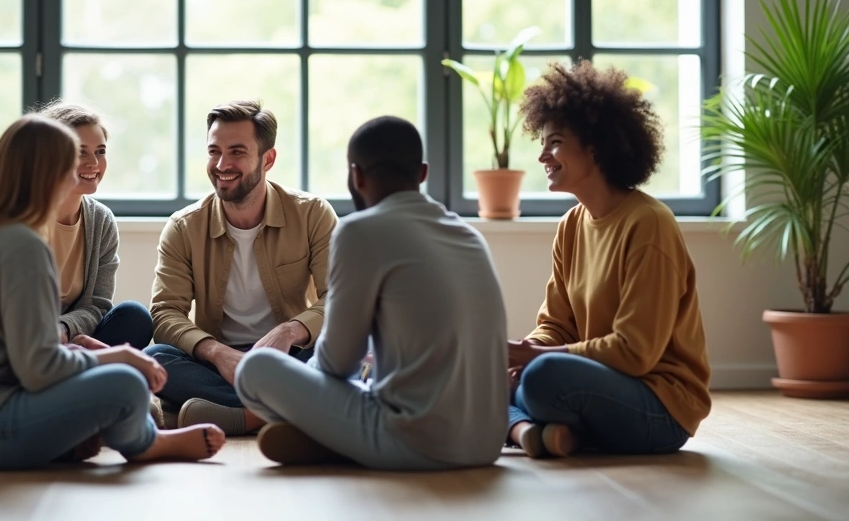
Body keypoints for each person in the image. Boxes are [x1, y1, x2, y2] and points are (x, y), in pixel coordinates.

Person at [0, 115, 224, 469]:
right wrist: (121, 357)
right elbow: (39, 368)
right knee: (127, 382)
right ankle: (144, 442)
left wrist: (81, 348)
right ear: (47, 174)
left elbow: (12, 353)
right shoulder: (21, 245)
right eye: (69, 165)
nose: (78, 176)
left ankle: (108, 433)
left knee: (118, 357)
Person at [233, 116, 509, 469]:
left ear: (356, 176)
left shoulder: (360, 231)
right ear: (422, 173)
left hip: (416, 441)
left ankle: (329, 438)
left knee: (256, 368)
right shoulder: (470, 237)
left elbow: (337, 364)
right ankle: (333, 439)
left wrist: (308, 390)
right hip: (487, 445)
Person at [506, 60, 711, 459]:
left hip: (659, 405)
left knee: (544, 377)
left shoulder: (649, 224)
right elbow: (556, 325)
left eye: (555, 143)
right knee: (484, 376)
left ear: (595, 148)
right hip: (598, 385)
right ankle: (537, 433)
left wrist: (538, 359)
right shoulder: (571, 225)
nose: (543, 156)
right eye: (543, 143)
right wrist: (523, 350)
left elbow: (636, 352)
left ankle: (519, 427)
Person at [144, 101, 338, 436]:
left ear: (268, 159)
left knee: (345, 351)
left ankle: (243, 416)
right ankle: (291, 410)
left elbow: (339, 297)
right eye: (214, 151)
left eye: (236, 152)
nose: (222, 165)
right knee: (157, 357)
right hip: (218, 365)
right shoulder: (183, 226)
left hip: (291, 357)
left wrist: (290, 331)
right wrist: (217, 353)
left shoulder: (312, 214)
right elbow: (164, 313)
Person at [39, 103, 152, 350]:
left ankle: (76, 367)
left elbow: (97, 305)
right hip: (26, 337)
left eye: (100, 151)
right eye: (81, 152)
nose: (94, 162)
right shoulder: (22, 217)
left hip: (70, 336)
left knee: (135, 317)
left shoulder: (101, 220)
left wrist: (64, 330)